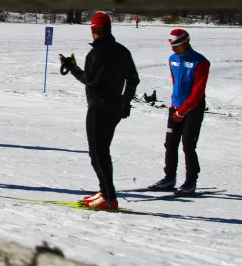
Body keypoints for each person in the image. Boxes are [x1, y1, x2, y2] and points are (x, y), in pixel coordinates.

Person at [59, 12, 139, 211]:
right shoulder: (122, 51)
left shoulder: (96, 54)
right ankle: (105, 192)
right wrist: (125, 101)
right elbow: (133, 79)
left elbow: (89, 80)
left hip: (98, 108)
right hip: (114, 109)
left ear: (93, 30)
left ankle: (109, 198)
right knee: (103, 152)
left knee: (97, 154)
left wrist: (72, 68)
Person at [149, 29, 210, 194]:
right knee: (170, 144)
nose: (173, 49)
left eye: (176, 45)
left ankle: (191, 181)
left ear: (185, 43)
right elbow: (176, 83)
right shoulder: (172, 59)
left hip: (193, 110)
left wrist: (183, 111)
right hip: (175, 108)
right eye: (171, 45)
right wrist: (176, 106)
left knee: (188, 145)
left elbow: (198, 92)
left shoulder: (201, 62)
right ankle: (169, 177)